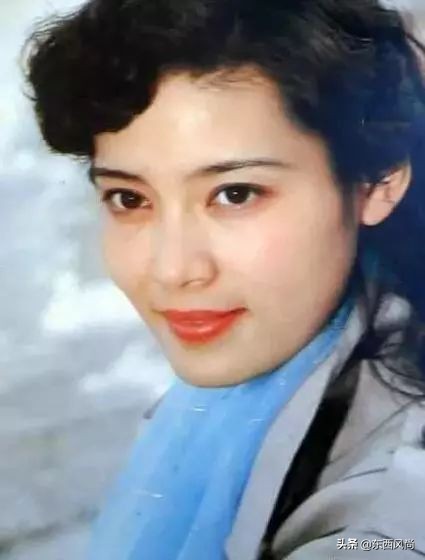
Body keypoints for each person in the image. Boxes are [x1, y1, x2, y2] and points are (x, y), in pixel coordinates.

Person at [24, 0, 425, 558]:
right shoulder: (230, 403)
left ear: (376, 182)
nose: (172, 269)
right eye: (129, 199)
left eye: (236, 194)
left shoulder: (383, 521)